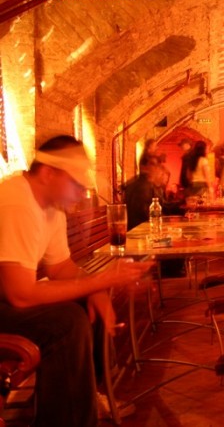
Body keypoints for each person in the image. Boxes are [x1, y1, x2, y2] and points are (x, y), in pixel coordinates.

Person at [0, 135, 153, 427]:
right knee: (66, 323)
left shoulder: (50, 206)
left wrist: (97, 289)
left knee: (86, 303)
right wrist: (100, 281)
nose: (83, 193)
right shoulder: (17, 201)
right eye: (77, 184)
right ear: (48, 173)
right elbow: (20, 295)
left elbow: (61, 268)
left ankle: (84, 397)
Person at [123, 156, 162, 230]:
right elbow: (144, 214)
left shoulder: (144, 183)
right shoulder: (142, 186)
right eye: (153, 164)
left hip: (140, 229)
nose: (156, 168)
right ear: (143, 167)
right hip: (139, 231)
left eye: (157, 165)